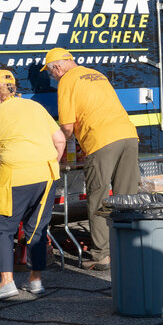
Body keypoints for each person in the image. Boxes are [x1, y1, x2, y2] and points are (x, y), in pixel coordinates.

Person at [41, 48, 139, 271]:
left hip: (101, 140)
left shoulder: (67, 82)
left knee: (98, 198)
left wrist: (55, 146)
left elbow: (66, 126)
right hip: (129, 136)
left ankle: (102, 255)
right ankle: (129, 249)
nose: (52, 77)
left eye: (50, 73)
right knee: (127, 197)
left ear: (57, 67)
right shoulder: (96, 74)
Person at [0, 70, 66, 301]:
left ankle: (6, 283)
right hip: (46, 175)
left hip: (15, 177)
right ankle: (35, 281)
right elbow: (60, 140)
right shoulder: (35, 107)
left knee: (2, 227)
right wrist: (50, 164)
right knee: (36, 228)